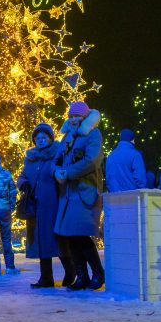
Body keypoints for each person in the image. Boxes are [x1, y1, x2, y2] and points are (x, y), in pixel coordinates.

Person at [54, 101, 105, 291]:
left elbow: (92, 160)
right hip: (68, 193)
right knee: (71, 236)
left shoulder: (93, 134)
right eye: (71, 117)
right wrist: (56, 172)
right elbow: (57, 161)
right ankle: (81, 276)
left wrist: (68, 173)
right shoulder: (67, 137)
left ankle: (98, 274)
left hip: (84, 192)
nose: (74, 120)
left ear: (84, 118)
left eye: (78, 117)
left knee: (82, 236)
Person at [18, 123, 76, 288]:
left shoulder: (57, 155)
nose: (41, 140)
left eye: (44, 137)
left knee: (58, 239)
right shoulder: (30, 158)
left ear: (50, 138)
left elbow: (63, 174)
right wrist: (23, 184)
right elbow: (22, 176)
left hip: (52, 203)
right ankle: (46, 277)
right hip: (35, 205)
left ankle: (70, 271)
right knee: (40, 241)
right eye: (38, 138)